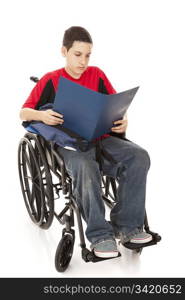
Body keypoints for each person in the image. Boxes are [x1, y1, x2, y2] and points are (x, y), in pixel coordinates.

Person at [19, 26, 152, 259]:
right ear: (64, 51)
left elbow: (115, 106)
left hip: (100, 138)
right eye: (77, 54)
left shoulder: (97, 75)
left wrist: (123, 121)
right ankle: (100, 236)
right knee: (85, 166)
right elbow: (24, 112)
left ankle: (128, 227)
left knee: (139, 156)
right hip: (70, 144)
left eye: (88, 55)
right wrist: (42, 115)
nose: (83, 61)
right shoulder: (51, 80)